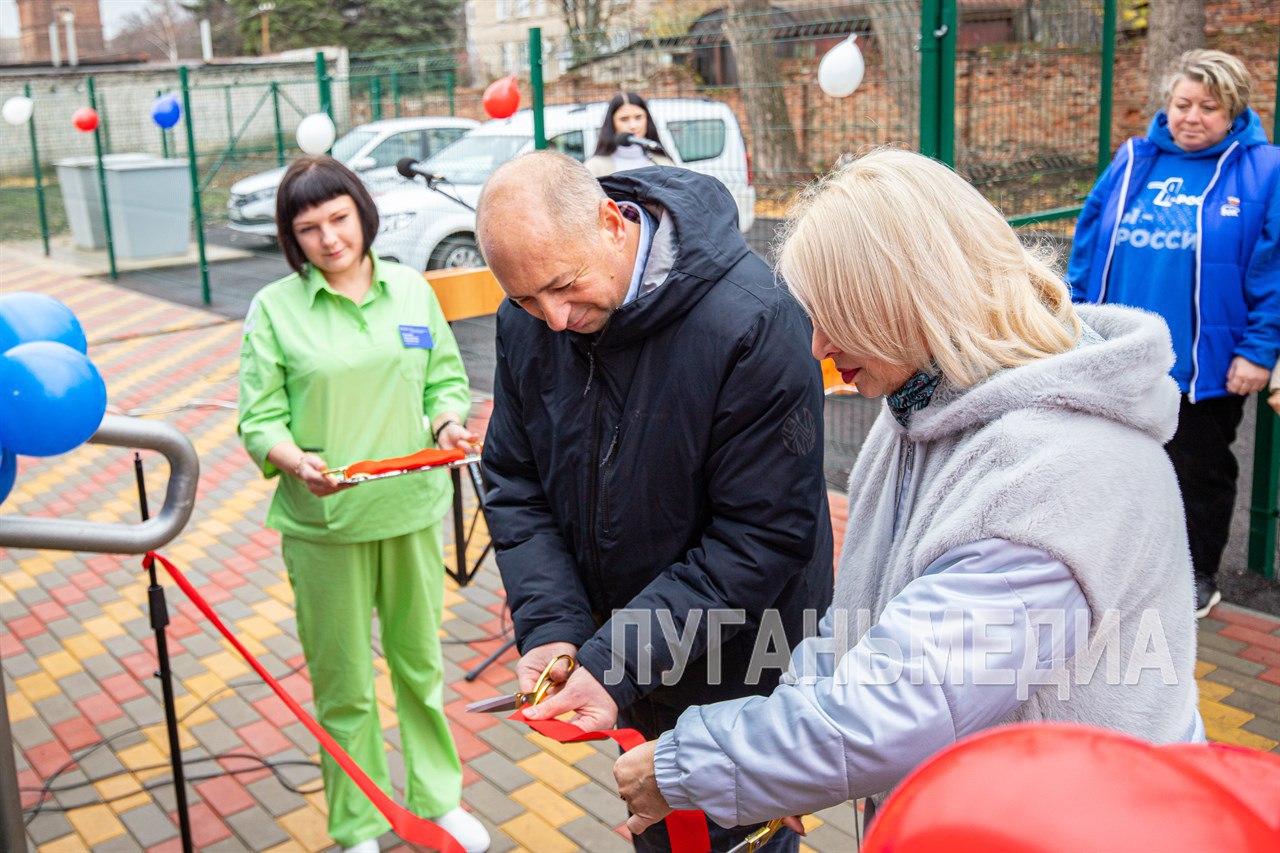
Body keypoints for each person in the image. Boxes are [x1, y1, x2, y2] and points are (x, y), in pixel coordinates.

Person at [612, 148, 1202, 837]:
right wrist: (788, 761)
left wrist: (687, 765)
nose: (818, 346)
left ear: (906, 295)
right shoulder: (918, 415)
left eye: (836, 315)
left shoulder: (1060, 467)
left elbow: (895, 704)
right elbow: (860, 623)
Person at [476, 151, 834, 852]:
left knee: (738, 841)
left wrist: (612, 659)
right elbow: (516, 481)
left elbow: (758, 539)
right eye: (525, 299)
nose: (550, 319)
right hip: (631, 656)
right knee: (664, 835)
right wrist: (554, 628)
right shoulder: (531, 317)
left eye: (563, 286)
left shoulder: (752, 321)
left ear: (612, 224)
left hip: (740, 665)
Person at [237, 155, 490, 853]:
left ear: (363, 213)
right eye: (309, 227)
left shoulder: (411, 290)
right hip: (323, 525)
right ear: (293, 238)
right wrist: (293, 460)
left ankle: (438, 800)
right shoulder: (275, 309)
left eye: (339, 218)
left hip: (410, 511)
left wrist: (446, 422)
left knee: (420, 668)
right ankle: (356, 824)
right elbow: (259, 418)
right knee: (343, 684)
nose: (330, 238)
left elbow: (444, 377)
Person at [1067, 49, 1280, 618]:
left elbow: (1272, 267)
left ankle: (1196, 576)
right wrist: (1075, 318)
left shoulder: (1264, 169)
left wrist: (1258, 350)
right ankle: (1119, 568)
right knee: (1114, 462)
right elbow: (1088, 241)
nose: (1191, 117)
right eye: (1182, 104)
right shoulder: (1134, 158)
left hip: (1202, 363)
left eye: (1208, 107)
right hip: (1119, 354)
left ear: (1233, 110)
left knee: (1197, 472)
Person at [585, 92, 676, 178]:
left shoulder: (663, 163)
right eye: (624, 119)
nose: (633, 126)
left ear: (647, 119)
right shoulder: (594, 168)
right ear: (612, 123)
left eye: (638, 117)